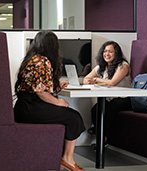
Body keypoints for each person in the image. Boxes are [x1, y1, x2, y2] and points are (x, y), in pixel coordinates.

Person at [14, 30, 86, 171]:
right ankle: (67, 159)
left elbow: (37, 86)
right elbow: (40, 92)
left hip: (23, 107)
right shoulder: (43, 61)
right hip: (32, 108)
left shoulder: (31, 58)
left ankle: (60, 158)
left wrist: (57, 86)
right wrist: (58, 102)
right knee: (74, 117)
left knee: (68, 116)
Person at [83, 41, 132, 145]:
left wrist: (96, 80)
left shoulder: (123, 66)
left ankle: (100, 135)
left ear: (116, 53)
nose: (107, 54)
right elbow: (86, 79)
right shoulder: (101, 67)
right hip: (110, 99)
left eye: (110, 52)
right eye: (105, 51)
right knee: (96, 109)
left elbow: (112, 82)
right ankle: (102, 137)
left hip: (124, 98)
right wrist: (91, 79)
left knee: (109, 108)